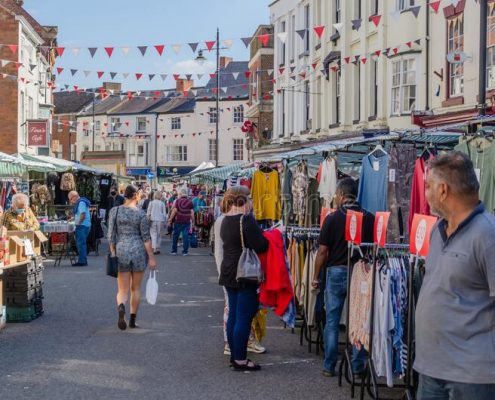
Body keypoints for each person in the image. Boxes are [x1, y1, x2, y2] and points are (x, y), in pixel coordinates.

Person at [414, 152, 495, 400]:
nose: (424, 194)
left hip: (471, 378)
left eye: (427, 186)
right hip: (431, 370)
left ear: (443, 190)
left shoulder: (487, 234)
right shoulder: (437, 232)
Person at [312, 178, 375, 377]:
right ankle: (357, 366)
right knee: (359, 320)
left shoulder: (332, 218)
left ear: (340, 195)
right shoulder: (369, 217)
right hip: (361, 273)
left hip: (336, 272)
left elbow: (322, 251)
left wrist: (315, 276)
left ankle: (329, 365)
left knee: (332, 320)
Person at [219, 186, 269, 371]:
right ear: (244, 200)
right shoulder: (246, 220)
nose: (252, 202)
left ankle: (235, 355)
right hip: (244, 273)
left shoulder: (225, 219)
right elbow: (261, 245)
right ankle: (240, 359)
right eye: (250, 198)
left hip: (228, 270)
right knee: (244, 317)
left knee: (233, 314)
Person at [107, 185, 157, 330]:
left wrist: (113, 252)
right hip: (138, 251)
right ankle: (133, 320)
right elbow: (146, 238)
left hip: (121, 250)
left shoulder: (114, 211)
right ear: (136, 196)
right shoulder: (141, 214)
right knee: (135, 288)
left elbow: (110, 236)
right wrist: (152, 258)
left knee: (122, 290)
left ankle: (121, 306)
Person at [167, 187, 194, 256]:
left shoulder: (178, 201)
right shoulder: (190, 202)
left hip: (178, 221)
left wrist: (170, 219)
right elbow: (192, 212)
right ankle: (185, 251)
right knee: (186, 237)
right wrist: (193, 221)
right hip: (187, 221)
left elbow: (174, 210)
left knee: (175, 236)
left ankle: (174, 251)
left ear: (181, 194)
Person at [68, 191, 92, 267]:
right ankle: (82, 260)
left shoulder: (81, 203)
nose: (71, 201)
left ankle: (82, 261)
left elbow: (82, 214)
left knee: (81, 244)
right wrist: (73, 219)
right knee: (81, 243)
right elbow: (80, 214)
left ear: (74, 196)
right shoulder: (81, 202)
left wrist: (78, 223)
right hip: (84, 225)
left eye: (71, 199)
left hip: (82, 225)